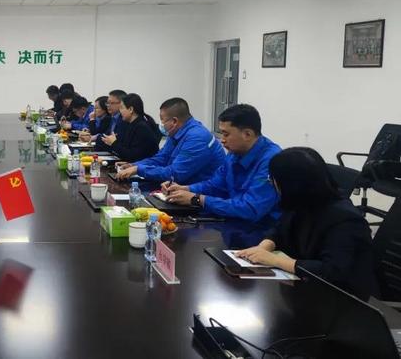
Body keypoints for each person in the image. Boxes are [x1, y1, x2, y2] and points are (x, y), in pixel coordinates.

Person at [236, 147, 377, 300]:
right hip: (307, 289)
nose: (272, 184)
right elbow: (280, 230)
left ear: (291, 185)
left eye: (273, 180)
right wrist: (263, 247)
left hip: (343, 299)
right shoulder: (303, 203)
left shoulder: (345, 221)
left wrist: (275, 260)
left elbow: (332, 271)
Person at [163, 104, 282, 223]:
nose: (222, 140)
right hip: (233, 221)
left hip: (262, 228)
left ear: (247, 134)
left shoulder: (272, 161)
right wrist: (186, 189)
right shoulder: (234, 153)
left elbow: (250, 209)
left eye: (226, 134)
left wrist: (197, 199)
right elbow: (215, 185)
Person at [117, 97, 225, 185]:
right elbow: (161, 158)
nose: (161, 123)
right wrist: (134, 165)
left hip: (200, 196)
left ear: (174, 121)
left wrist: (139, 170)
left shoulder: (197, 138)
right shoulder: (175, 132)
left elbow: (175, 174)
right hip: (179, 188)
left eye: (162, 119)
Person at [100, 93, 160, 162]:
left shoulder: (141, 127)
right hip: (132, 164)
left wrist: (114, 143)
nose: (120, 111)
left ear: (131, 109)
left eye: (122, 108)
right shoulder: (131, 124)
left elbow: (131, 155)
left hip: (142, 166)